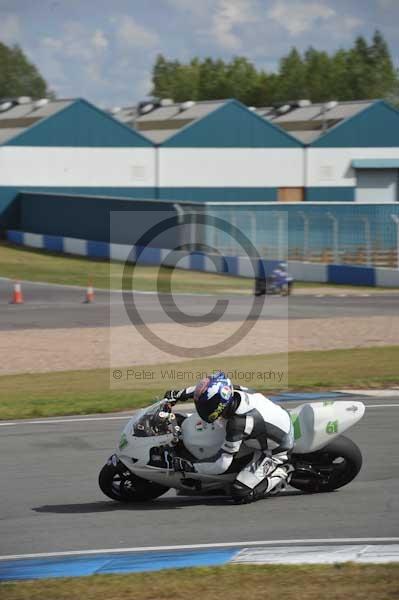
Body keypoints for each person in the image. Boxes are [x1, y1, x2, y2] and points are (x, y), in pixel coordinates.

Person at [165, 370, 294, 504]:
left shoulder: (238, 423)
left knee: (241, 492)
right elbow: (204, 391)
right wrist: (178, 394)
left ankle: (283, 472)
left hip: (275, 451)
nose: (202, 407)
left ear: (218, 404)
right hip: (274, 420)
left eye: (206, 405)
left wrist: (191, 467)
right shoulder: (233, 391)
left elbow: (222, 464)